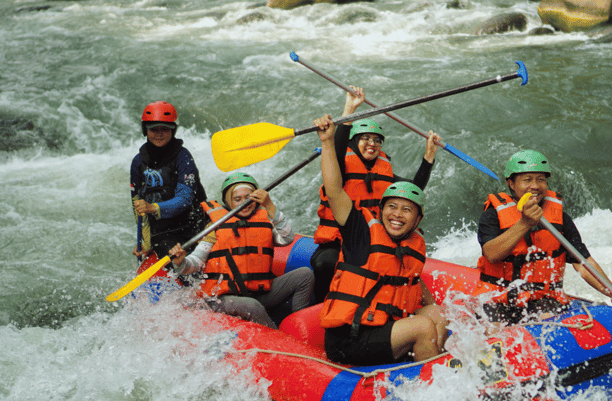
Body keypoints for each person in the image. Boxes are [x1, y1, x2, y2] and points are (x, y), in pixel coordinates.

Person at [313, 114, 448, 366]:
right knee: (422, 326)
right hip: (349, 338)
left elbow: (411, 283)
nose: (397, 215)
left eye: (406, 210)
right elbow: (334, 190)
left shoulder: (410, 244)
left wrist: (429, 157)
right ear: (381, 209)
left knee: (436, 314)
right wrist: (328, 141)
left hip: (381, 328)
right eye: (392, 207)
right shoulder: (360, 232)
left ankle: (434, 362)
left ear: (417, 219)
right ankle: (434, 378)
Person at [310, 86, 442, 302]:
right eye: (365, 138)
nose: (372, 144)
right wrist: (349, 111)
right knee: (325, 262)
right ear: (353, 142)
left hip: (370, 237)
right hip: (340, 238)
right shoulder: (341, 166)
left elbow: (413, 190)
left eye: (377, 140)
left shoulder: (384, 171)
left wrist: (428, 157)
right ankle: (319, 303)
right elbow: (338, 149)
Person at [475, 149, 612, 324]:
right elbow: (491, 254)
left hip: (542, 299)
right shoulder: (492, 216)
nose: (535, 186)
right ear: (511, 184)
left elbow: (583, 263)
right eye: (527, 180)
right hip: (499, 298)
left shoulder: (560, 218)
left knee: (548, 320)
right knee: (492, 330)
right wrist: (525, 223)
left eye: (541, 179)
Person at [168, 172, 314, 329]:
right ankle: (280, 338)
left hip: (257, 292)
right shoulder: (216, 227)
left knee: (304, 275)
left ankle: (300, 326)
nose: (244, 203)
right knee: (252, 306)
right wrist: (181, 262)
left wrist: (270, 206)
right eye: (237, 199)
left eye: (248, 198)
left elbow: (287, 238)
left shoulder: (263, 221)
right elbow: (195, 262)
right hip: (222, 298)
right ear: (228, 202)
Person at [130, 101, 207, 259]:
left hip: (193, 226)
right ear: (145, 130)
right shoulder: (138, 162)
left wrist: (153, 208)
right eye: (154, 129)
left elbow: (185, 199)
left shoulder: (183, 157)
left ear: (173, 130)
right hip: (163, 232)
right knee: (174, 259)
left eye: (164, 129)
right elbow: (138, 206)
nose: (159, 134)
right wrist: (146, 243)